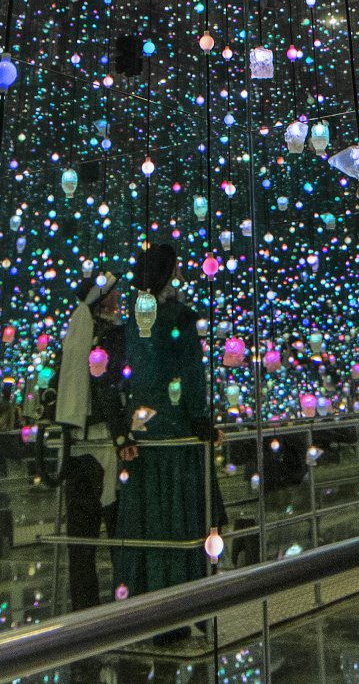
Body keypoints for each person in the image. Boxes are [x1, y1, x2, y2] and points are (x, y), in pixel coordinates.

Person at [112, 243, 215, 597]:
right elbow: (190, 376)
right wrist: (200, 419)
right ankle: (179, 597)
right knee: (177, 518)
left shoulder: (131, 321)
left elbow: (127, 376)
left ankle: (139, 591)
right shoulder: (180, 318)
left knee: (143, 519)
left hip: (140, 432)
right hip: (174, 434)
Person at [52, 278, 125, 609]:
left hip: (76, 449)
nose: (119, 298)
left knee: (81, 544)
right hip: (108, 447)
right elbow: (114, 390)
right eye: (114, 293)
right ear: (103, 301)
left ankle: (84, 612)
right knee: (119, 537)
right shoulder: (112, 337)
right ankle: (125, 607)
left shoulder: (72, 340)